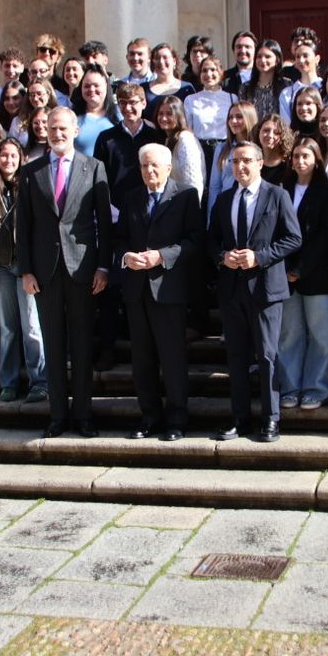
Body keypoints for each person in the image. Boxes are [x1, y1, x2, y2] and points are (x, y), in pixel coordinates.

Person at [17, 105, 112, 438]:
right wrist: (26, 271)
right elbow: (23, 226)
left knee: (83, 344)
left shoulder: (94, 167)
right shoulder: (31, 172)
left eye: (63, 128)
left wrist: (103, 265)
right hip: (44, 273)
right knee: (53, 345)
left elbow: (104, 222)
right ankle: (57, 415)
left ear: (75, 131)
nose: (57, 133)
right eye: (51, 128)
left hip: (84, 270)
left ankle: (83, 415)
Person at [209, 140, 302, 442]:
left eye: (247, 160)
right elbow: (210, 240)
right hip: (232, 289)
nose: (241, 167)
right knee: (236, 358)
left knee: (267, 355)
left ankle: (271, 419)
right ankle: (240, 418)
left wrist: (259, 257)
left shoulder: (277, 195)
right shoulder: (224, 200)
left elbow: (293, 238)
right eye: (235, 162)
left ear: (260, 163)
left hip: (265, 289)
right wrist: (222, 256)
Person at [117, 143, 202, 442]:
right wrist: (127, 257)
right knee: (142, 360)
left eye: (155, 166)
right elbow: (121, 238)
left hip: (168, 289)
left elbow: (194, 241)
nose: (149, 171)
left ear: (168, 168)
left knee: (173, 358)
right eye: (144, 166)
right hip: (137, 290)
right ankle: (149, 417)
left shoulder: (186, 195)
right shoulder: (131, 198)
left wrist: (162, 256)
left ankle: (177, 419)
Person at [0, 139, 43, 403]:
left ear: (21, 158)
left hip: (26, 267)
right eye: (3, 156)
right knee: (8, 328)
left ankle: (39, 380)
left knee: (31, 326)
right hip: (1, 266)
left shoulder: (29, 186)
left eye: (13, 155)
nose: (8, 160)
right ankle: (9, 382)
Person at [278, 137, 328, 411]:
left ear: (316, 160)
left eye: (306, 156)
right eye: (296, 156)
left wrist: (299, 270)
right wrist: (286, 270)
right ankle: (290, 387)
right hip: (284, 275)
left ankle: (316, 387)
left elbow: (325, 237)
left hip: (316, 276)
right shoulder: (282, 189)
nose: (300, 161)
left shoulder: (327, 192)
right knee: (289, 334)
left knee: (320, 335)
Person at [95, 83, 164, 204]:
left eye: (133, 102)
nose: (127, 108)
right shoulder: (106, 138)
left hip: (148, 205)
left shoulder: (156, 136)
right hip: (116, 208)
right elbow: (99, 176)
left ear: (143, 103)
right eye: (123, 103)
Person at [154, 95, 205, 200]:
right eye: (161, 114)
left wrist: (192, 208)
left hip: (186, 204)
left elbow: (193, 182)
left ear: (179, 115)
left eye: (169, 114)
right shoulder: (167, 140)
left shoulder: (185, 140)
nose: (164, 118)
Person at [74, 67, 119, 156]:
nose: (91, 89)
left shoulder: (119, 114)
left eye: (96, 85)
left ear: (106, 86)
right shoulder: (73, 116)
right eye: (87, 86)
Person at [240, 39, 286, 122]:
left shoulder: (286, 85)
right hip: (253, 133)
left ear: (277, 60)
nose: (263, 60)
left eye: (267, 57)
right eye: (259, 56)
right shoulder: (245, 88)